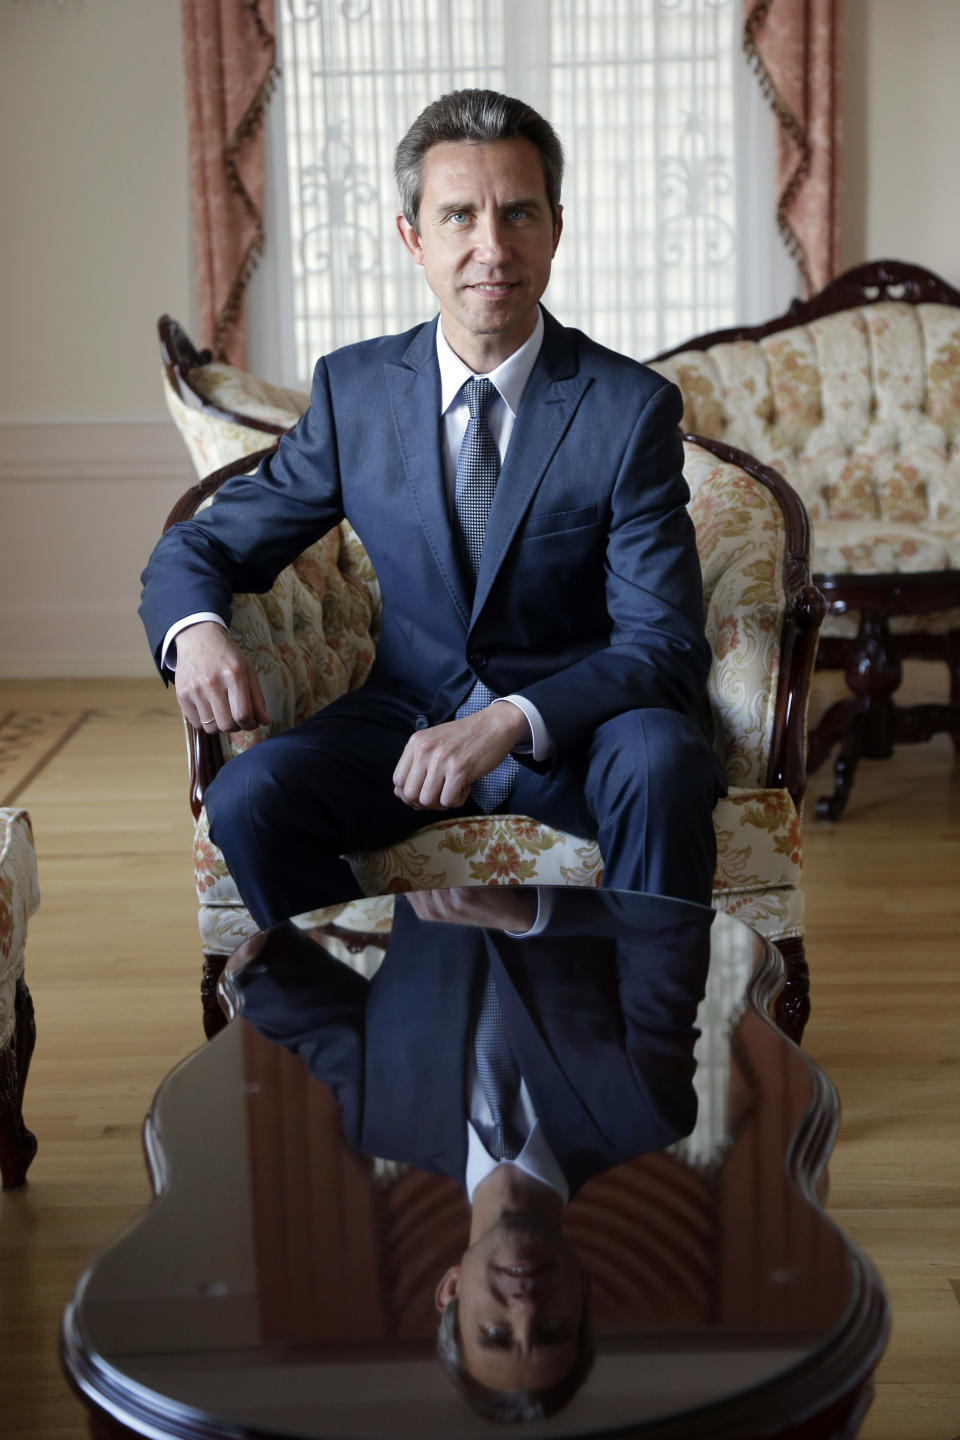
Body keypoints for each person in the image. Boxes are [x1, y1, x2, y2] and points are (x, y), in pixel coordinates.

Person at [140, 88, 725, 929]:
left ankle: (640, 1039)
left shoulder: (629, 408)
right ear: (414, 236)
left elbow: (664, 645)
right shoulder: (357, 393)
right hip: (404, 721)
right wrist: (194, 633)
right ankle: (361, 1034)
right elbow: (204, 547)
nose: (492, 247)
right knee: (250, 794)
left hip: (580, 731)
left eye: (518, 213)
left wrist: (507, 722)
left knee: (663, 757)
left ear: (555, 228)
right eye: (459, 216)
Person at [228, 885, 711, 1420]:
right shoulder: (644, 1112)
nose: (525, 1310)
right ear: (583, 1289)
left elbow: (295, 1008)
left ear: (450, 1291)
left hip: (406, 814)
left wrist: (251, 962)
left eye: (495, 1333)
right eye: (552, 1330)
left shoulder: (383, 1121)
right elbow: (667, 923)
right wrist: (533, 914)